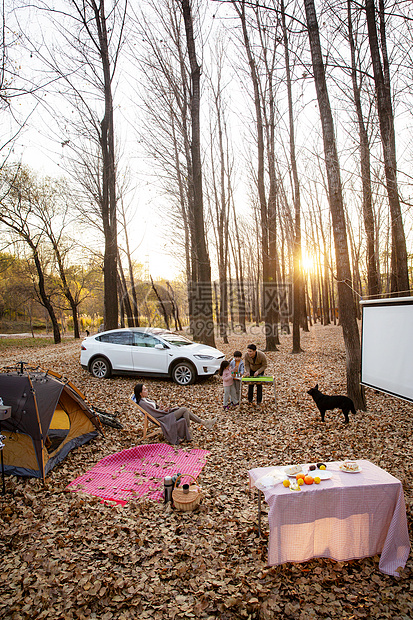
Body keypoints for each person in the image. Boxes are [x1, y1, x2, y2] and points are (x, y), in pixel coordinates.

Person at [133, 384, 216, 444]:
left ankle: (203, 423)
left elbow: (154, 410)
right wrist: (164, 411)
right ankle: (193, 427)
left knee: (185, 412)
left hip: (162, 415)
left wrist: (161, 409)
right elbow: (154, 414)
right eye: (144, 389)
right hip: (163, 419)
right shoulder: (143, 403)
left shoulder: (145, 400)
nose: (147, 390)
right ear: (140, 393)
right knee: (184, 409)